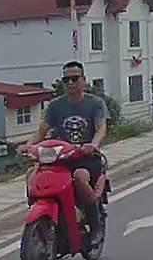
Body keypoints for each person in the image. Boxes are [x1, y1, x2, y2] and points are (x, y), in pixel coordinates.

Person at [25, 61, 107, 239]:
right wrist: (29, 145)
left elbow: (101, 128)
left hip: (86, 157)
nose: (70, 83)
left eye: (74, 79)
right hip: (59, 158)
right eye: (66, 79)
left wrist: (93, 145)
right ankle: (41, 217)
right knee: (32, 174)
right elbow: (42, 130)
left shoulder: (95, 103)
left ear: (83, 80)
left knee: (80, 177)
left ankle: (95, 226)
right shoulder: (56, 105)